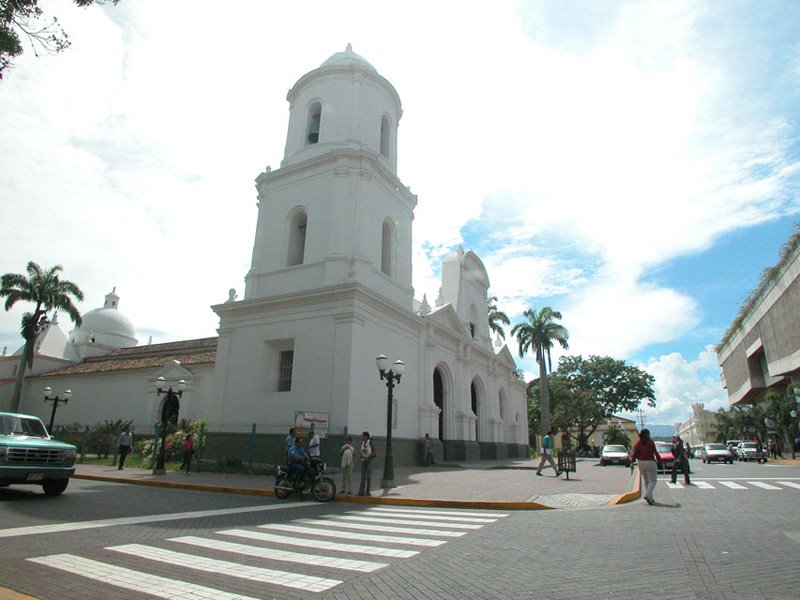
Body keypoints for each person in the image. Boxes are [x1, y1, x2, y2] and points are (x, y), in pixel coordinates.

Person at [631, 428, 663, 505]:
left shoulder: (638, 443)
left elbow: (634, 453)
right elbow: (655, 453)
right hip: (650, 462)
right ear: (647, 434)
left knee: (646, 481)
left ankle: (650, 499)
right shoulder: (650, 442)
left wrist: (632, 461)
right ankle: (648, 495)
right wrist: (660, 462)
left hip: (641, 463)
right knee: (653, 481)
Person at [358, 431, 375, 496]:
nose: (362, 437)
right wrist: (361, 458)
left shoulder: (370, 443)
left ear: (366, 437)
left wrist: (368, 457)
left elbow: (374, 452)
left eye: (363, 436)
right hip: (363, 460)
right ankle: (361, 491)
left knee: (368, 476)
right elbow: (362, 452)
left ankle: (367, 491)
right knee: (362, 476)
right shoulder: (362, 443)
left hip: (369, 460)